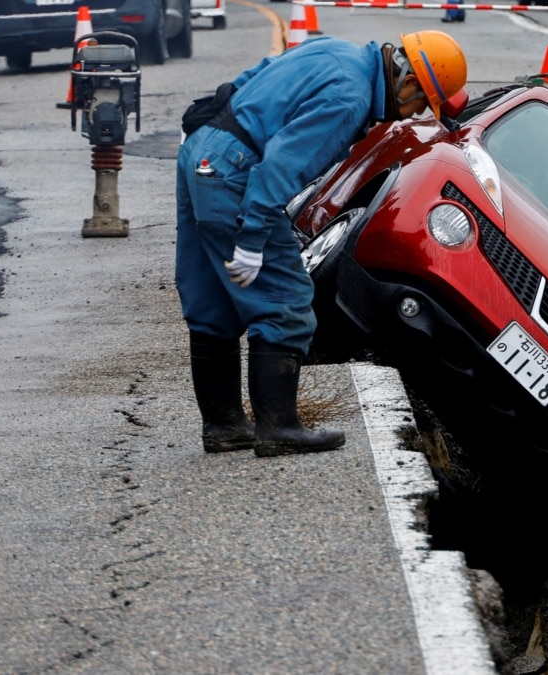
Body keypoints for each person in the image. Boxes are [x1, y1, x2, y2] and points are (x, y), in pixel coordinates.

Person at [175, 31, 468, 458]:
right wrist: (254, 236)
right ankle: (278, 429)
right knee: (286, 297)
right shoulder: (348, 101)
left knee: (210, 295)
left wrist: (212, 123)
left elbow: (258, 74)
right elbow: (281, 166)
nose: (414, 113)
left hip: (203, 149)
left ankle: (224, 425)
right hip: (232, 172)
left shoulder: (338, 50)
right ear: (407, 82)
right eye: (420, 102)